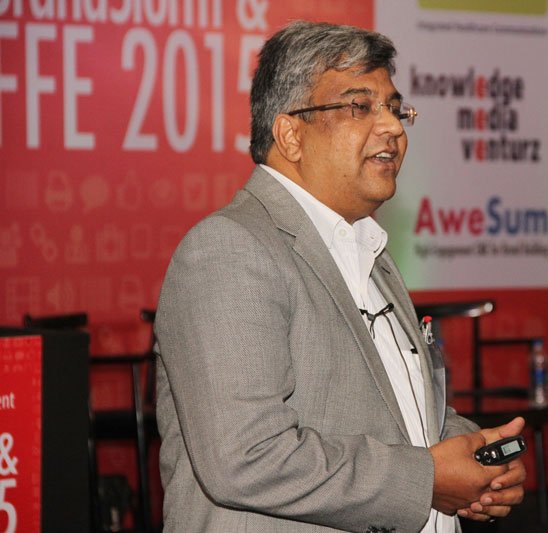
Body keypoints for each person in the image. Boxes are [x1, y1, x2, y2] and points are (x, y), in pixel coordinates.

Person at [154, 21, 526, 532]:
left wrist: (472, 454)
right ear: (291, 135)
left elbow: (385, 413)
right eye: (360, 107)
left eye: (394, 108)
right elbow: (246, 457)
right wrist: (427, 479)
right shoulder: (229, 249)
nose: (392, 127)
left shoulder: (370, 252)